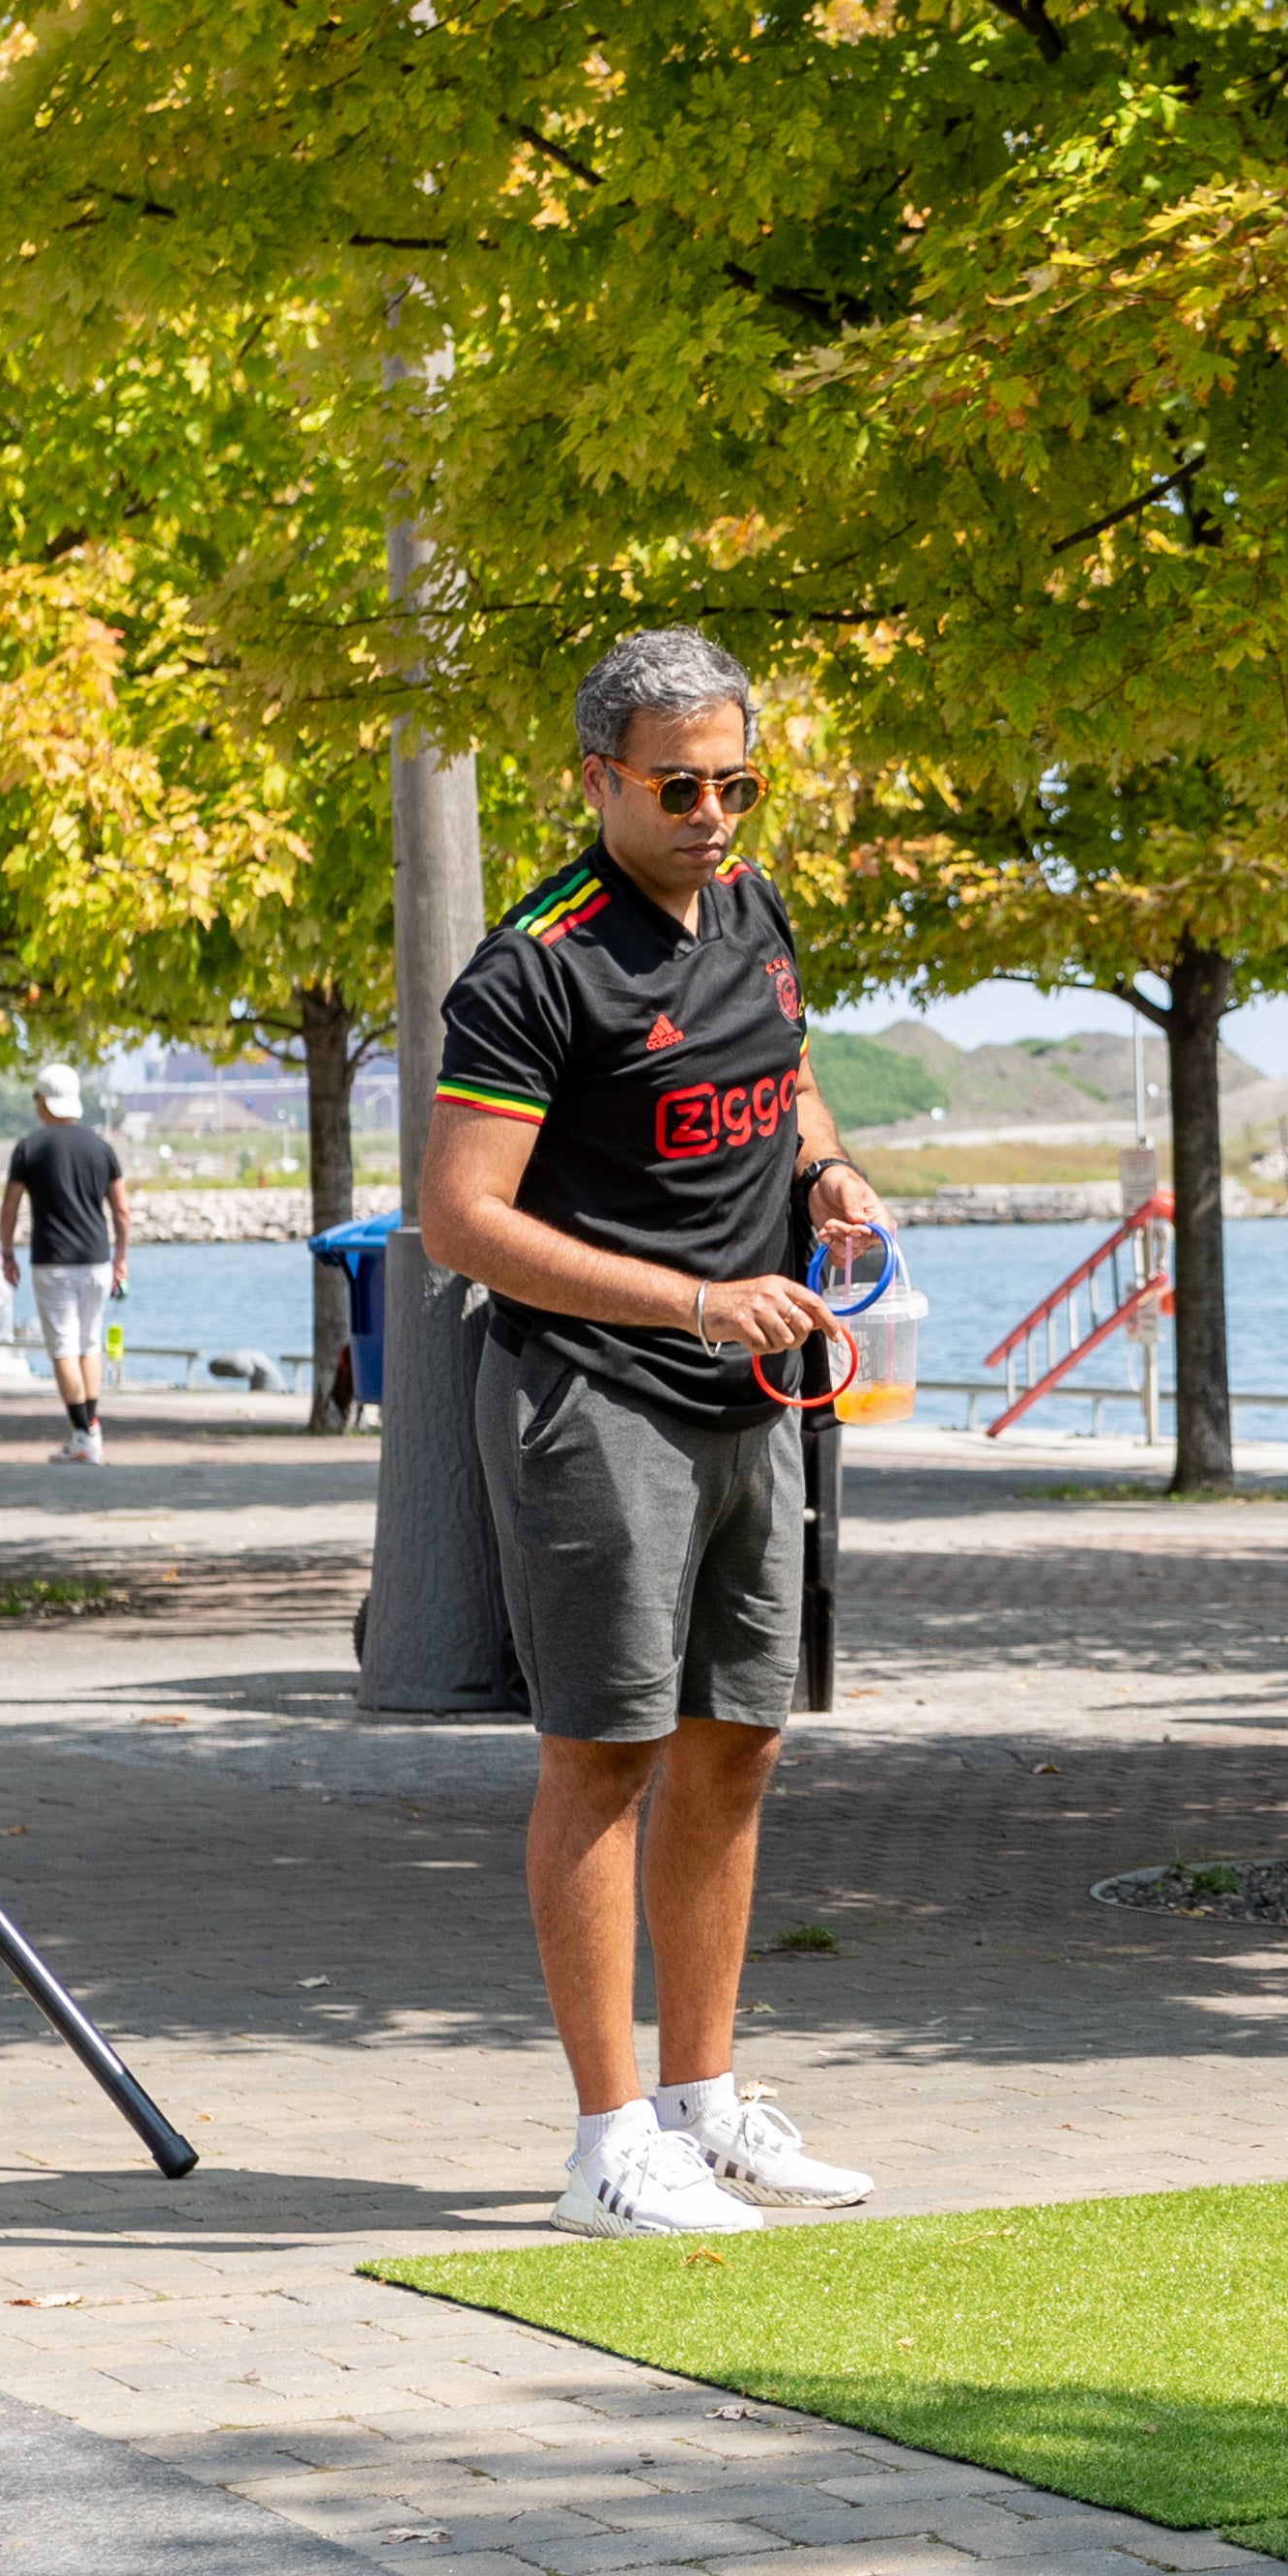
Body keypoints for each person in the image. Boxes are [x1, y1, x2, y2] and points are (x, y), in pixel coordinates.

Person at [421, 625, 893, 2241]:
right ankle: (606, 2143)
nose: (712, 815)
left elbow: (789, 1083)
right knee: (605, 1751)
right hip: (594, 1396)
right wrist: (691, 1304)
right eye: (678, 786)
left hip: (752, 1395)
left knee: (738, 1740)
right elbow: (461, 1224)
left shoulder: (751, 911)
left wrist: (825, 1175)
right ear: (598, 781)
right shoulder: (533, 967)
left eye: (737, 784)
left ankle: (702, 2106)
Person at [0, 1063, 132, 1462]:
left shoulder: (29, 1148)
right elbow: (122, 1212)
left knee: (62, 1347)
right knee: (89, 1345)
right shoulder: (101, 1147)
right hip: (97, 1260)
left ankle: (84, 1433)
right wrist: (121, 1259)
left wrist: (6, 1252)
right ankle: (90, 1433)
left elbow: (9, 1207)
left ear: (42, 1100)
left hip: (52, 1260)